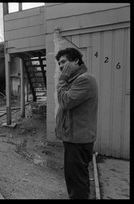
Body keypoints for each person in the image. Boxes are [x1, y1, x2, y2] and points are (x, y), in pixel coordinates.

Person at [55, 47, 98, 199]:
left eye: (64, 62)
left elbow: (66, 101)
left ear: (76, 61)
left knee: (76, 183)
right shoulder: (74, 80)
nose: (61, 66)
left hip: (78, 140)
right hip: (75, 137)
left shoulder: (84, 80)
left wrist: (61, 80)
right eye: (59, 63)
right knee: (78, 178)